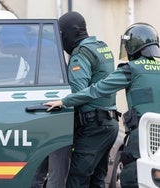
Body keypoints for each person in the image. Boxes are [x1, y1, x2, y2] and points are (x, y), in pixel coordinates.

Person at [45, 22, 160, 188]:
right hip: (139, 132)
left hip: (142, 136)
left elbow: (96, 90)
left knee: (132, 179)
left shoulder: (131, 69)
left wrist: (64, 101)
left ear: (132, 46)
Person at [33, 11, 120, 188]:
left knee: (76, 180)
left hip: (93, 127)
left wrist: (62, 101)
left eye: (61, 35)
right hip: (109, 125)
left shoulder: (80, 54)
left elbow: (79, 91)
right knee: (97, 180)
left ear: (70, 33)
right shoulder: (100, 47)